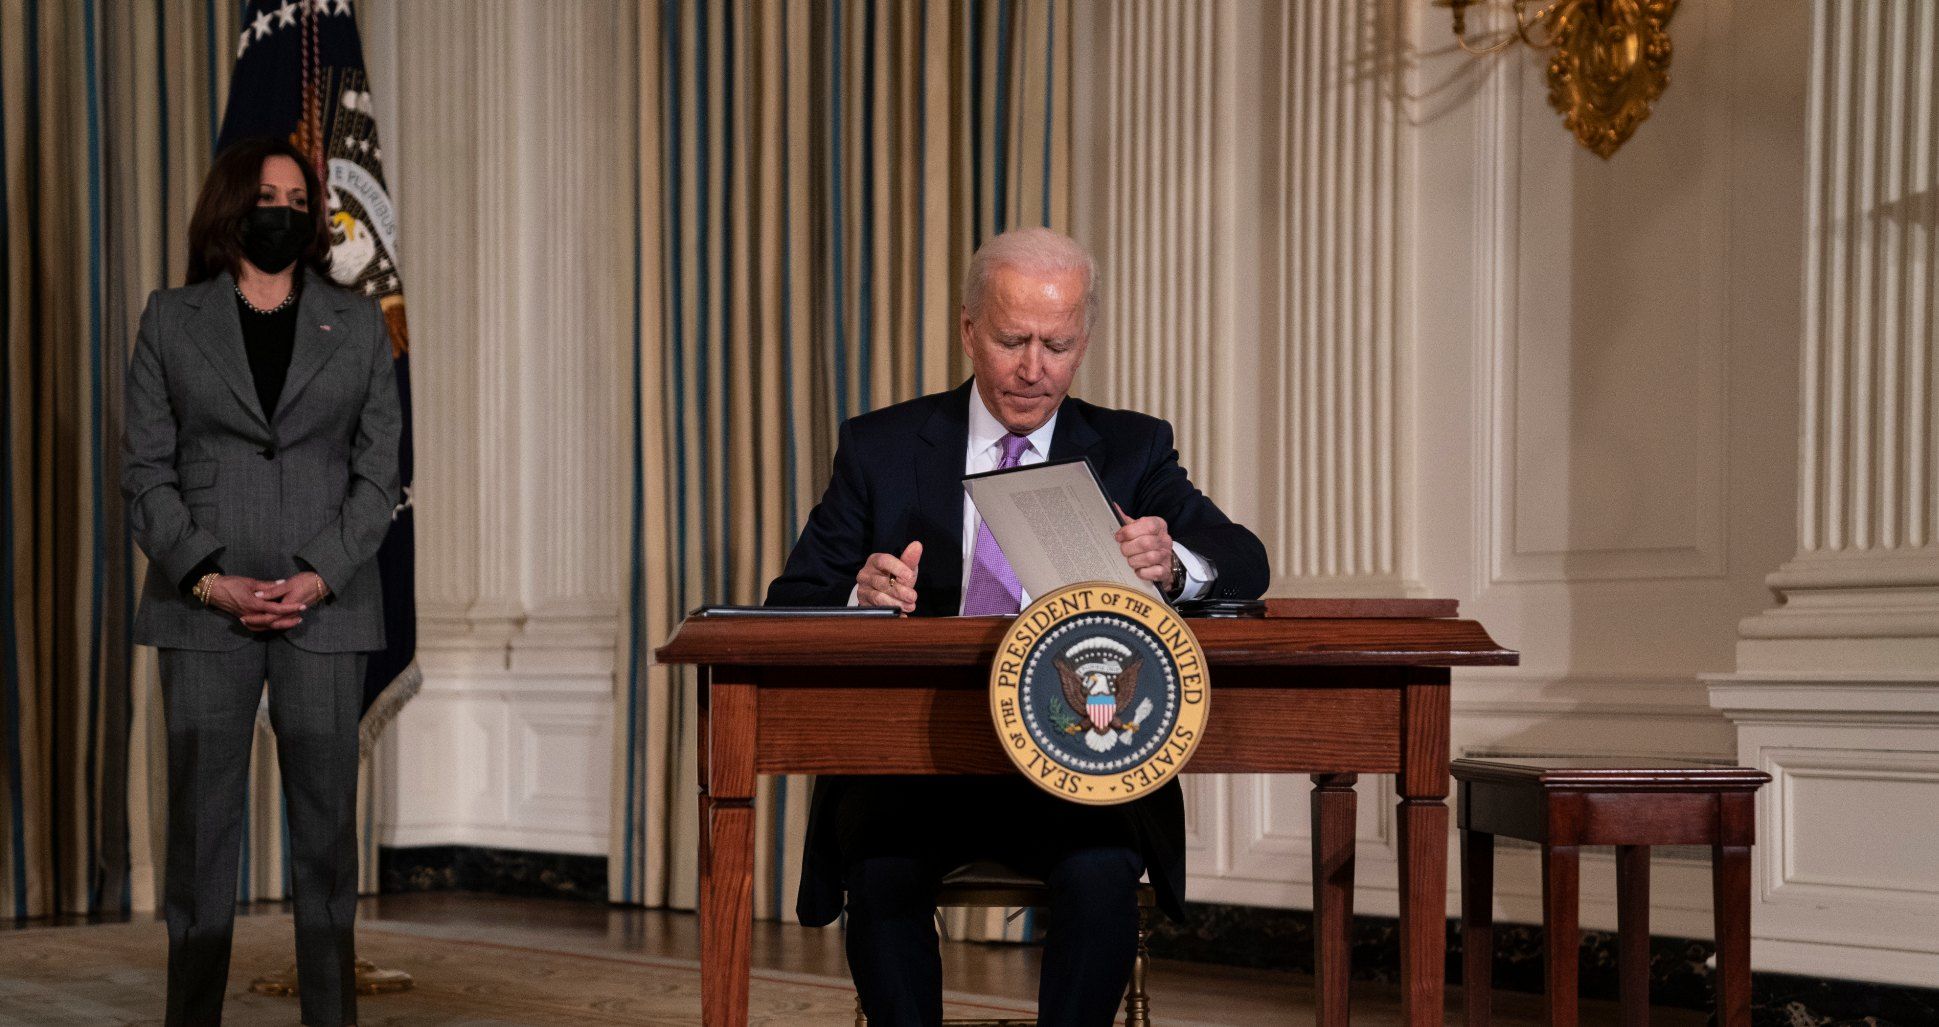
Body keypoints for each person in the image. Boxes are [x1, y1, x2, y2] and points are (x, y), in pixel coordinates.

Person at [766, 227, 1268, 1027]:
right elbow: (790, 601)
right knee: (883, 867)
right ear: (969, 329)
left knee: (1102, 871)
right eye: (1011, 341)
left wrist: (1172, 563)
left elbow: (1243, 560)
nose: (1034, 368)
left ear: (1084, 341)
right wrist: (858, 596)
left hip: (1077, 762)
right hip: (914, 761)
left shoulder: (1133, 449)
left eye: (1057, 344)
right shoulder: (883, 446)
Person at [122, 135, 401, 1027]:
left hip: (329, 607)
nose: (279, 208)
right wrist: (208, 577)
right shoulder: (171, 318)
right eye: (265, 193)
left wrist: (318, 574)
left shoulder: (358, 323)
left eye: (295, 196)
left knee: (326, 842)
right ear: (232, 204)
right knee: (201, 841)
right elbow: (146, 474)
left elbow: (378, 474)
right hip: (203, 611)